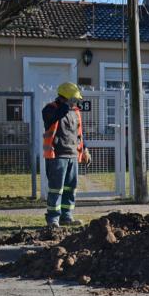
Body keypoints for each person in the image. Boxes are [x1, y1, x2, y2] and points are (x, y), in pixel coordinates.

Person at [42, 82, 91, 227]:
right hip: (57, 155)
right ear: (66, 97)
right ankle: (53, 219)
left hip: (72, 155)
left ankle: (66, 216)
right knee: (56, 189)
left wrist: (85, 149)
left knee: (70, 188)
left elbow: (79, 133)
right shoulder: (50, 109)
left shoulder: (75, 111)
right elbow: (56, 115)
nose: (76, 101)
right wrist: (64, 102)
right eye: (73, 98)